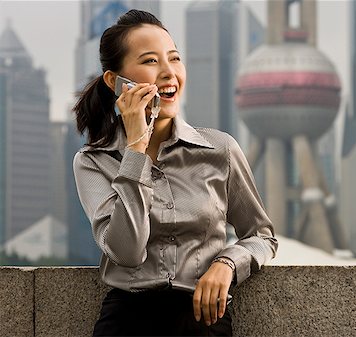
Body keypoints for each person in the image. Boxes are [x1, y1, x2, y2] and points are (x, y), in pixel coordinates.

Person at [73, 9, 277, 337]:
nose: (169, 73)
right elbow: (127, 251)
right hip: (127, 319)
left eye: (175, 58)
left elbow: (261, 235)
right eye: (151, 61)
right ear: (116, 81)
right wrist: (136, 148)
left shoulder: (219, 150)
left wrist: (227, 264)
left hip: (202, 318)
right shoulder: (94, 161)